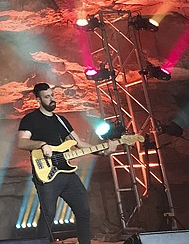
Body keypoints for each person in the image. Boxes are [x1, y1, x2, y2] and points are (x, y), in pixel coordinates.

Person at [17, 82, 116, 244]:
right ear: (38, 100)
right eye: (47, 97)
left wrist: (103, 151)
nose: (51, 99)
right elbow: (22, 143)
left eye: (52, 96)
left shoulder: (60, 120)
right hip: (47, 174)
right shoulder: (30, 119)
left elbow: (79, 143)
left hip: (67, 172)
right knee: (48, 213)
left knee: (83, 210)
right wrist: (41, 144)